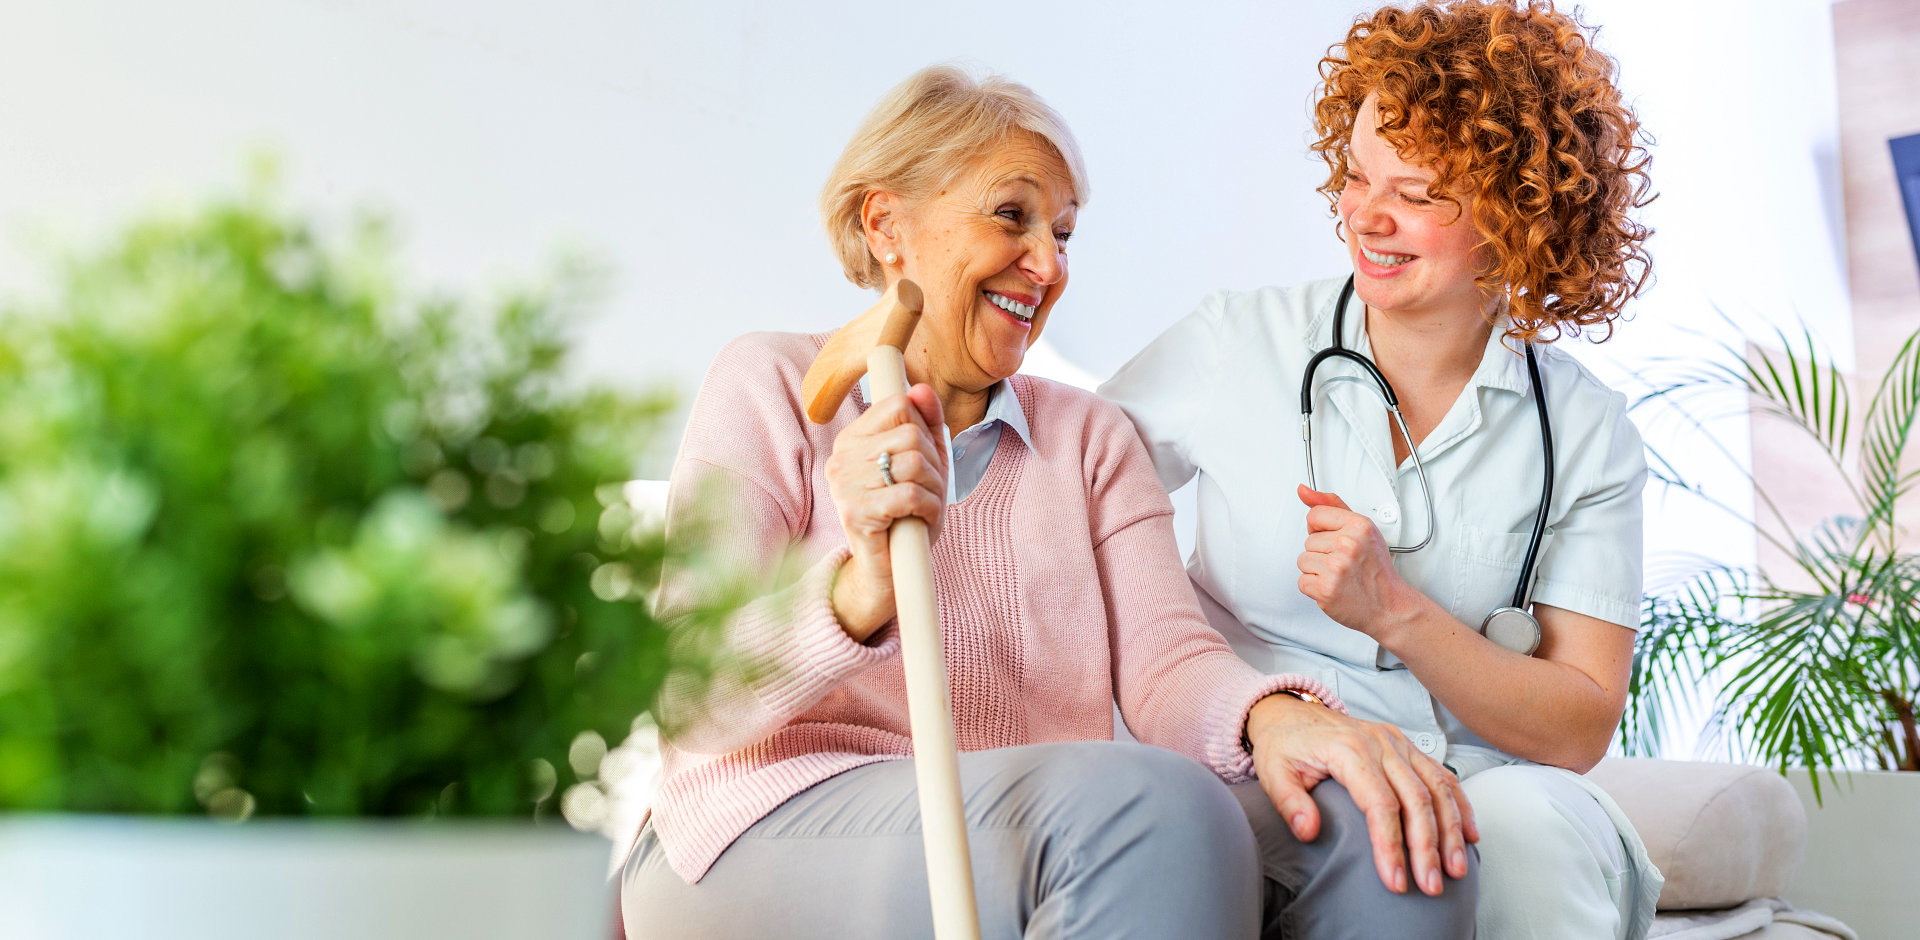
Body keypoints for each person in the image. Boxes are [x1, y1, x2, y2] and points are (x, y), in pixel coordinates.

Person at [622, 65, 1479, 938]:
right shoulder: (769, 383)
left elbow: (1169, 663)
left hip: (1033, 814)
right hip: (764, 822)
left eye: (1064, 233)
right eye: (1011, 216)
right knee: (1149, 808)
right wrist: (861, 586)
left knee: (1387, 833)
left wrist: (1275, 717)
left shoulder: (1088, 437)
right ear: (887, 224)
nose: (1047, 265)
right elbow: (688, 693)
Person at [1100, 2, 1664, 937]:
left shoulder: (1585, 431)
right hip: (1266, 763)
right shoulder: (1237, 346)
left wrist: (1394, 611)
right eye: (1357, 178)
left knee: (1529, 835)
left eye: (1416, 192)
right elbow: (1066, 485)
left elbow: (1577, 725)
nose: (1367, 216)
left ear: (1520, 211)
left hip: (1487, 784)